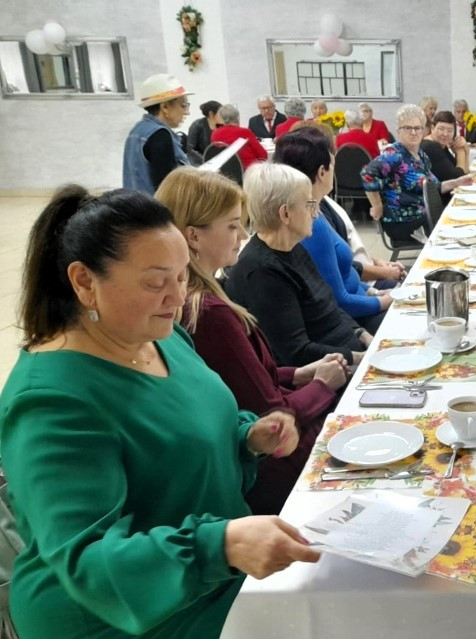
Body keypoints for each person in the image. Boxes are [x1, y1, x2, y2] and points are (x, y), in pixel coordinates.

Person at [0, 186, 319, 638]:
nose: (177, 295)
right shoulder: (51, 402)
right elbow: (87, 559)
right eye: (155, 282)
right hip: (121, 613)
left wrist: (248, 438)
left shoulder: (160, 336)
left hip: (204, 574)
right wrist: (218, 545)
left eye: (182, 276)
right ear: (85, 282)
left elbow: (185, 434)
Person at [156, 167, 347, 516]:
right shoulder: (209, 312)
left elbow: (252, 374)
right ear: (193, 236)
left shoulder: (206, 296)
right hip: (272, 462)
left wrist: (298, 374)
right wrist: (322, 385)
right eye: (231, 225)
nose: (243, 235)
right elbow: (271, 414)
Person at [224, 162, 371, 366]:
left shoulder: (294, 247)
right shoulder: (262, 273)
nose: (316, 213)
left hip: (349, 350)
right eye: (309, 204)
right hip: (332, 371)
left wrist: (363, 334)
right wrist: (362, 359)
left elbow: (329, 304)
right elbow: (297, 353)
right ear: (285, 214)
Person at [275, 129, 393, 332]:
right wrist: (385, 301)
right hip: (352, 318)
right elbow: (339, 301)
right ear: (322, 172)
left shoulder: (315, 208)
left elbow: (344, 277)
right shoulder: (312, 222)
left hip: (361, 299)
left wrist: (374, 292)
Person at [361, 104, 472, 245]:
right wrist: (377, 205)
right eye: (408, 128)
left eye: (417, 128)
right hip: (403, 222)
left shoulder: (421, 155)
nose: (413, 132)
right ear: (399, 131)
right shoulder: (394, 154)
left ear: (423, 130)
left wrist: (457, 182)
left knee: (462, 217)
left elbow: (434, 187)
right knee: (457, 224)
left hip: (423, 215)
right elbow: (368, 174)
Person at [122, 73, 192, 195]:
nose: (187, 112)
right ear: (164, 107)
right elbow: (167, 188)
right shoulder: (160, 135)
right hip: (156, 210)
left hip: (135, 207)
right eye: (183, 105)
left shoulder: (137, 130)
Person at [421, 110, 469, 205]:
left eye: (450, 130)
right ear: (432, 128)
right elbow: (459, 177)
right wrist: (460, 152)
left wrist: (466, 151)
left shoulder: (441, 145)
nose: (445, 134)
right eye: (441, 129)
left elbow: (465, 173)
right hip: (440, 203)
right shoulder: (430, 147)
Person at [210, 104, 269, 170]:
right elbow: (263, 155)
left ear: (222, 118)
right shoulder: (244, 132)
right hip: (249, 171)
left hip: (226, 172)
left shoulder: (215, 133)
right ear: (238, 117)